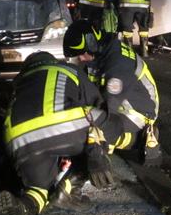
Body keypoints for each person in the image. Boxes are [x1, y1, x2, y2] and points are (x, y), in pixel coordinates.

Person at [0, 52, 121, 215]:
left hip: (18, 139)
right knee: (111, 123)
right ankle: (73, 184)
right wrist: (98, 151)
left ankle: (22, 207)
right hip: (65, 128)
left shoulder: (19, 82)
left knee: (40, 188)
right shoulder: (69, 69)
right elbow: (97, 103)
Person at [63, 19, 161, 166]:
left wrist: (96, 150)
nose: (81, 58)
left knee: (94, 131)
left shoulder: (117, 64)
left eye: (82, 54)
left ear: (91, 43)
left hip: (137, 113)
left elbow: (109, 110)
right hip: (124, 103)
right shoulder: (103, 53)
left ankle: (138, 140)